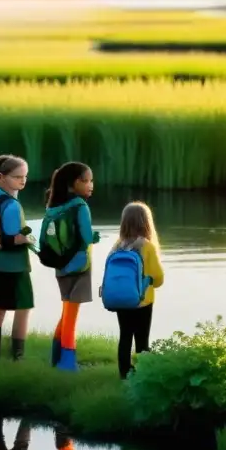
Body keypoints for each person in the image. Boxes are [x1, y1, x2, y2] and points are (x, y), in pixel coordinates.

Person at [42, 162, 99, 372]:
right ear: (74, 183)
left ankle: (55, 358)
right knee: (71, 314)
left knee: (66, 309)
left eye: (91, 180)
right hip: (80, 266)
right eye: (86, 180)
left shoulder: (53, 206)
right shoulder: (80, 206)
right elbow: (86, 237)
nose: (91, 185)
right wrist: (94, 237)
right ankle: (67, 362)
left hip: (60, 265)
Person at [0, 155, 35, 361]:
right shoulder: (12, 205)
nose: (22, 181)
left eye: (25, 176)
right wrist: (29, 238)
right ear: (0, 177)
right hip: (14, 265)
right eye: (17, 177)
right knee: (23, 308)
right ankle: (18, 355)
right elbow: (10, 238)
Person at [109, 202, 164, 379]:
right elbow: (158, 278)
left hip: (120, 299)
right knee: (142, 339)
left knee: (125, 336)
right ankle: (143, 374)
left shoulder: (118, 245)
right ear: (146, 223)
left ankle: (124, 373)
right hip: (142, 301)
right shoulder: (147, 246)